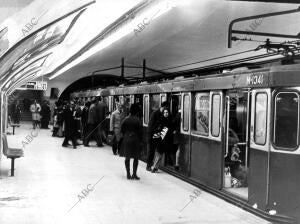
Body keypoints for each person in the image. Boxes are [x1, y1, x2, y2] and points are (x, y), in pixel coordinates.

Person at [120, 104, 143, 180]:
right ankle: (134, 174)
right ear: (136, 111)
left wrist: (126, 135)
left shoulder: (125, 119)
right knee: (136, 158)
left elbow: (122, 130)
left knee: (127, 157)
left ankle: (128, 174)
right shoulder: (138, 120)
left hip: (127, 140)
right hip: (136, 140)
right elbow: (140, 132)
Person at [146, 101, 169, 171]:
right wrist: (151, 136)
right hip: (153, 136)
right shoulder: (155, 113)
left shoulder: (163, 114)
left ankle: (155, 166)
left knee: (158, 151)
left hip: (159, 136)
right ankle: (149, 166)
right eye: (165, 108)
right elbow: (150, 126)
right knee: (151, 151)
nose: (166, 110)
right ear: (162, 107)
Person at [151, 108, 173, 173]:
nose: (166, 114)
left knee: (160, 154)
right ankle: (154, 167)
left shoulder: (168, 120)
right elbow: (157, 128)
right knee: (159, 154)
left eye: (167, 112)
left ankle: (155, 167)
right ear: (163, 113)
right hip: (160, 139)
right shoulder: (161, 120)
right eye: (165, 112)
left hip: (164, 139)